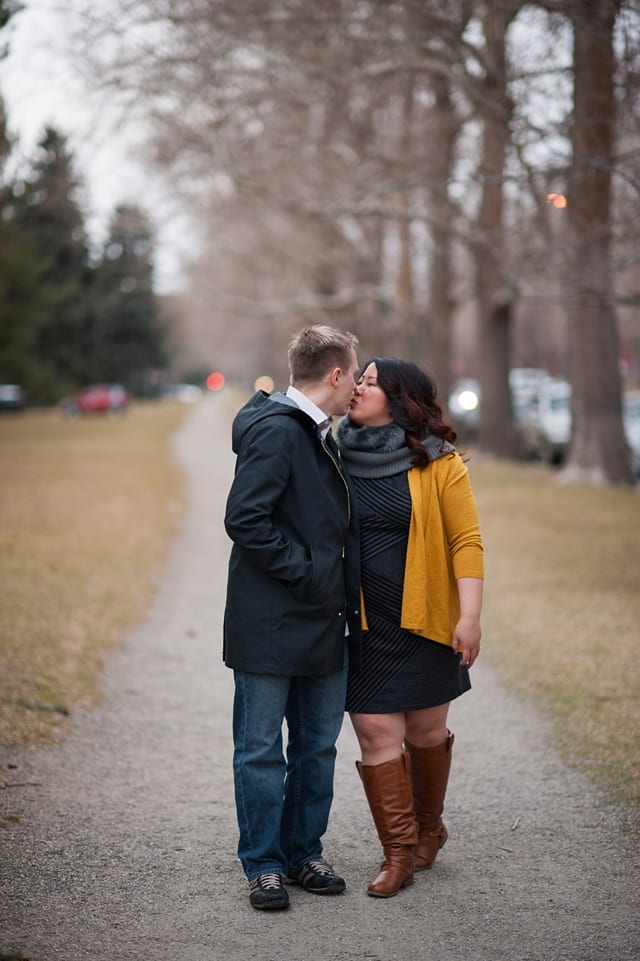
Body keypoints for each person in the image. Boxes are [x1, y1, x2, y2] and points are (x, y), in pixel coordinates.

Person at [223, 325, 362, 911]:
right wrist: (307, 572)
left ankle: (304, 853)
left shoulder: (322, 433)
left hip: (322, 619)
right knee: (260, 749)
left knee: (316, 746)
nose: (357, 384)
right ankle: (264, 866)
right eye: (354, 373)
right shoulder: (280, 432)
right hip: (271, 622)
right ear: (335, 374)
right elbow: (244, 518)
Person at [335, 357, 484, 898]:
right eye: (360, 379)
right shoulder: (334, 455)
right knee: (376, 731)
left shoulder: (438, 462)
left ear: (399, 400)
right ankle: (397, 853)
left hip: (424, 622)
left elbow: (465, 541)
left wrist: (469, 616)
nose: (358, 388)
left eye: (371, 383)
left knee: (424, 734)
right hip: (363, 626)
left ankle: (429, 829)